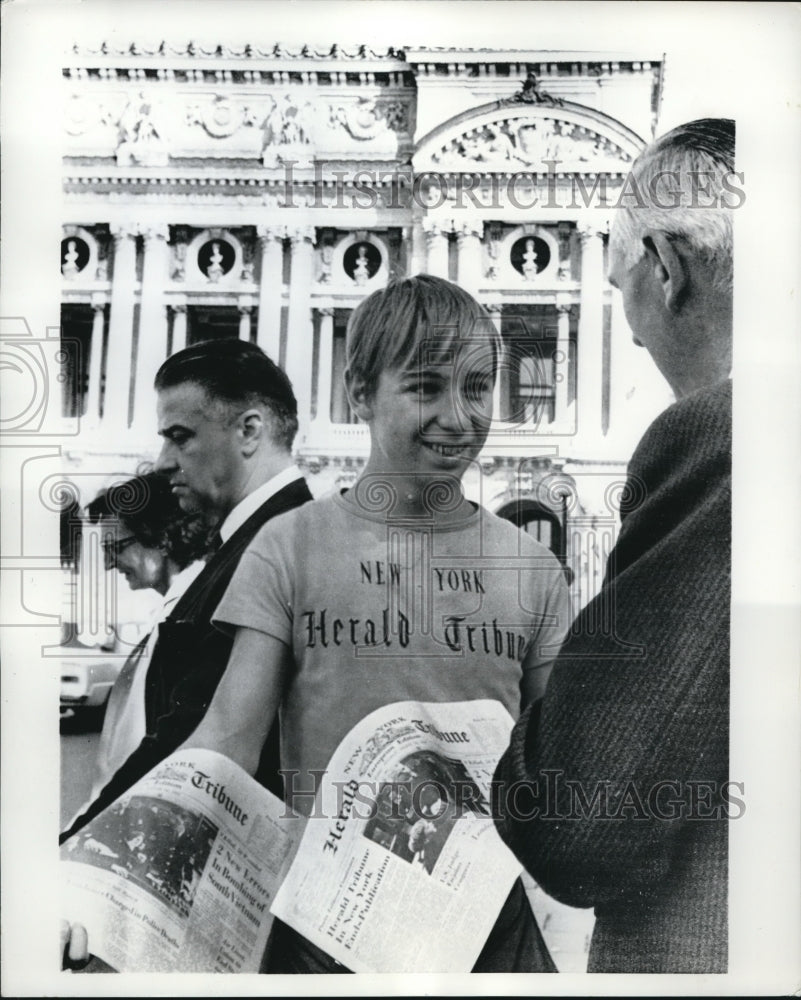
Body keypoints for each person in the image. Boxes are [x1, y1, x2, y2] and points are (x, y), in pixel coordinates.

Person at [182, 275, 570, 973]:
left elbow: (559, 763)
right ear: (358, 393)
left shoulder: (533, 568)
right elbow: (225, 743)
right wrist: (103, 881)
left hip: (489, 934)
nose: (458, 417)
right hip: (325, 935)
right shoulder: (289, 545)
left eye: (477, 388)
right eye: (424, 388)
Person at [493, 118, 734, 973]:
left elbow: (573, 818)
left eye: (619, 283)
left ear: (666, 272)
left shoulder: (722, 445)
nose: (626, 328)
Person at [60, 339, 313, 843]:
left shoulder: (275, 542)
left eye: (180, 437)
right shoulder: (254, 539)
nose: (162, 460)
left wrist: (78, 844)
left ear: (249, 430)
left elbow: (189, 739)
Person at [84, 471, 208, 797]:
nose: (110, 564)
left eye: (116, 548)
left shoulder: (190, 617)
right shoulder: (173, 610)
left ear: (162, 539)